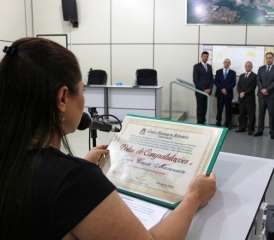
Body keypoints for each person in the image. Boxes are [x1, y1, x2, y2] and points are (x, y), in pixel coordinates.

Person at [0, 38, 217, 239]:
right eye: (82, 90)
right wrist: (194, 197)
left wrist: (79, 167)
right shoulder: (75, 180)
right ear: (63, 97)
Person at [254, 52, 274, 139]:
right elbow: (258, 80)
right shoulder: (261, 68)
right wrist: (262, 89)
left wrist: (267, 89)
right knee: (261, 113)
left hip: (271, 95)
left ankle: (272, 132)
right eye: (267, 58)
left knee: (271, 114)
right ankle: (260, 130)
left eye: (270, 58)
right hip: (262, 95)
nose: (268, 59)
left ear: (273, 59)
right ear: (265, 59)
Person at [235, 61, 257, 135]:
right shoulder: (242, 75)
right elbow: (238, 86)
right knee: (242, 114)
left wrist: (244, 93)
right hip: (241, 99)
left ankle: (251, 129)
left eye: (249, 66)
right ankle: (242, 128)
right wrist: (240, 92)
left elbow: (252, 87)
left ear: (251, 67)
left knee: (251, 115)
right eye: (246, 66)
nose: (247, 67)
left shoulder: (254, 76)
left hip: (249, 99)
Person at [214, 58, 236, 128]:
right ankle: (218, 123)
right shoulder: (218, 72)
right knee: (219, 109)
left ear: (230, 64)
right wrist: (222, 89)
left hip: (228, 94)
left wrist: (226, 89)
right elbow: (216, 82)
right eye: (225, 62)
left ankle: (227, 124)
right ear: (223, 63)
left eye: (228, 62)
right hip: (220, 94)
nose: (227, 63)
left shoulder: (233, 73)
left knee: (228, 110)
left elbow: (233, 83)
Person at [193, 51, 214, 124]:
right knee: (200, 107)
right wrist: (204, 89)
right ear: (201, 57)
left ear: (208, 57)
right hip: (200, 91)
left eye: (206, 56)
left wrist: (210, 89)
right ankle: (199, 122)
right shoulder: (196, 66)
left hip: (208, 91)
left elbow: (211, 79)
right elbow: (195, 80)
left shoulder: (209, 67)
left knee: (205, 107)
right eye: (204, 56)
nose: (205, 57)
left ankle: (203, 121)